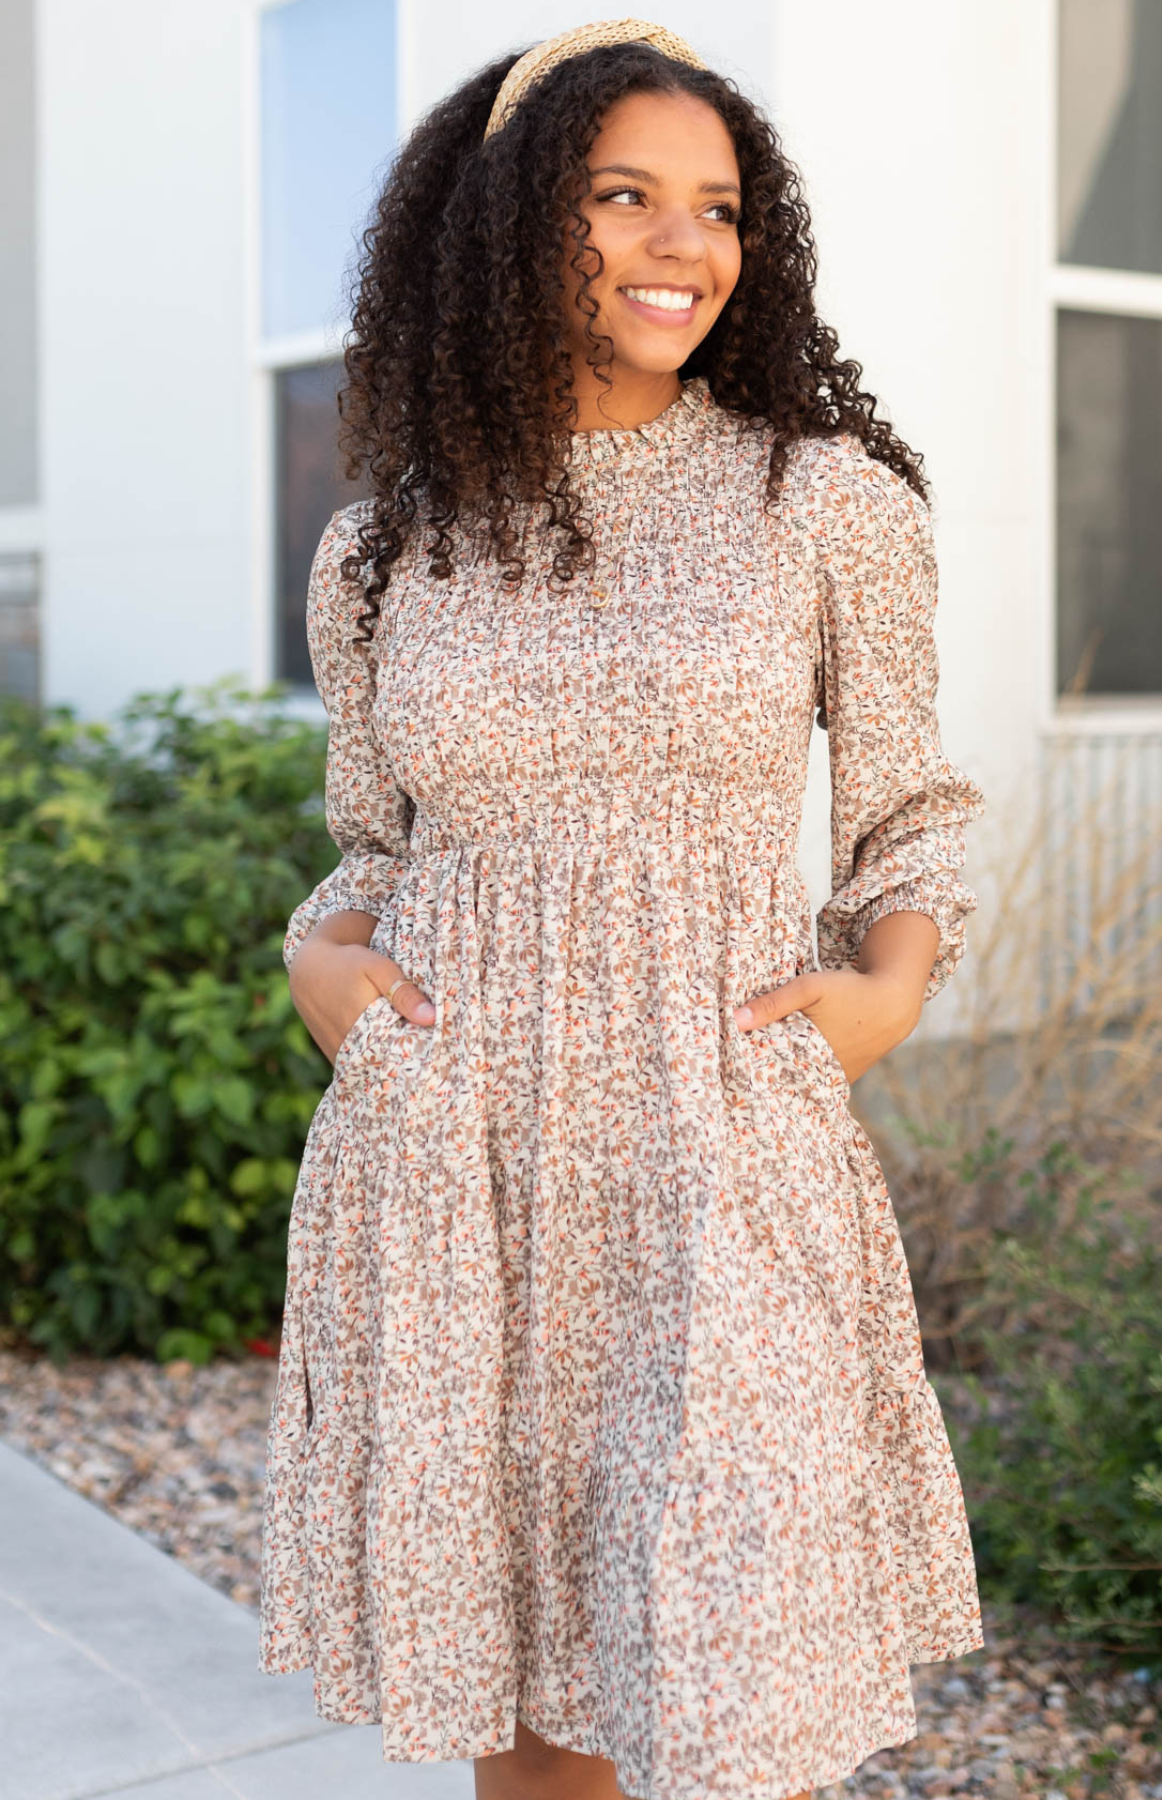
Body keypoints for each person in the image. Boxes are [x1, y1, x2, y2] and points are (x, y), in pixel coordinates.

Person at [257, 18, 988, 1800]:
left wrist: (884, 997)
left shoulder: (823, 504)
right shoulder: (381, 550)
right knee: (526, 1713)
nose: (686, 248)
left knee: (745, 1696)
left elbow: (905, 819)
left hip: (714, 1153)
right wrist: (315, 963)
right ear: (510, 222)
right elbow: (377, 847)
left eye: (718, 208)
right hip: (459, 1176)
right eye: (625, 197)